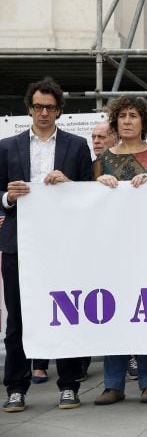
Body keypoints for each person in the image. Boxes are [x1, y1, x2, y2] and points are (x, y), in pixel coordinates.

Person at [1, 77, 92, 412]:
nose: (43, 112)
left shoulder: (76, 146)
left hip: (62, 245)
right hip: (18, 244)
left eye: (50, 107)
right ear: (29, 108)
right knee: (18, 320)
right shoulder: (7, 146)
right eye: (38, 106)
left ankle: (69, 385)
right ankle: (16, 387)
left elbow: (89, 194)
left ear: (59, 111)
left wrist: (68, 184)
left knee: (64, 312)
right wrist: (8, 197)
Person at [93, 96, 147, 405]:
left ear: (144, 122)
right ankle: (113, 384)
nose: (127, 121)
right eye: (122, 116)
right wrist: (98, 182)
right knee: (113, 314)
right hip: (112, 250)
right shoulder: (103, 159)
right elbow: (87, 202)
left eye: (133, 116)